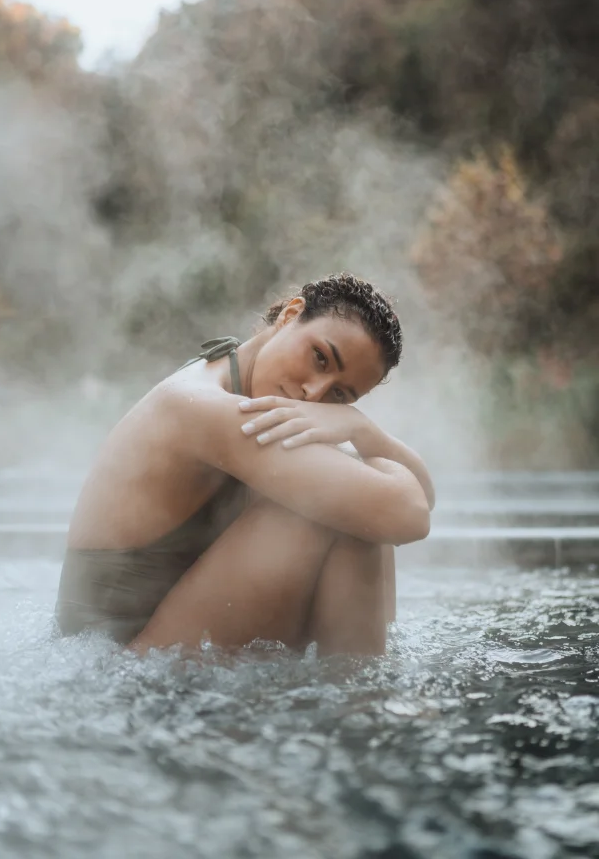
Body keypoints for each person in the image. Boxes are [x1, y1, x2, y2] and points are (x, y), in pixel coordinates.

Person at [56, 273, 433, 656]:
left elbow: (420, 501)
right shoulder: (204, 406)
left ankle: (358, 697)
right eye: (319, 357)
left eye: (340, 394)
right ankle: (361, 704)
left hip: (157, 650)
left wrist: (363, 430)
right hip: (116, 666)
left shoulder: (243, 389)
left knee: (356, 506)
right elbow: (411, 514)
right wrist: (355, 427)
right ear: (291, 314)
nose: (314, 393)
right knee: (340, 513)